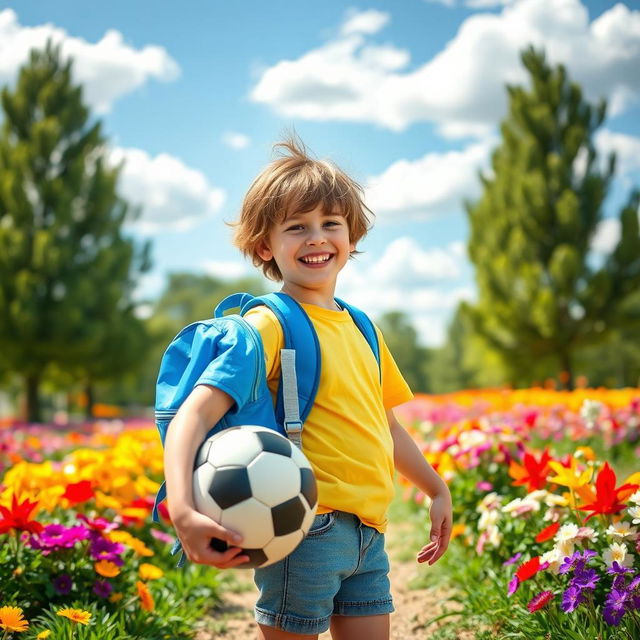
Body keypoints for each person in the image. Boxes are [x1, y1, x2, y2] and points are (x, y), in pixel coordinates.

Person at [163, 137, 453, 640]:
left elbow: (383, 425)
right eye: (296, 227)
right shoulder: (269, 324)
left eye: (330, 224)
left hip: (370, 532)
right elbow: (193, 414)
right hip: (302, 527)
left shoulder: (363, 328)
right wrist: (183, 509)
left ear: (351, 234)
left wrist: (435, 486)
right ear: (264, 246)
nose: (316, 238)